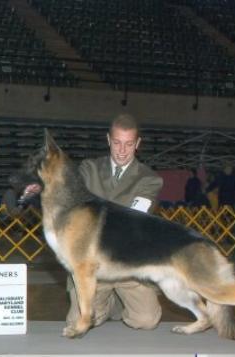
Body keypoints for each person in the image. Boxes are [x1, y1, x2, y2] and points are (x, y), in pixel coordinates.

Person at [66, 114, 163, 331]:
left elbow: (133, 220)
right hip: (93, 266)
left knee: (146, 320)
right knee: (78, 322)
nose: (122, 150)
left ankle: (119, 301)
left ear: (138, 144)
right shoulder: (87, 169)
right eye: (117, 143)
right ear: (108, 140)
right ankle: (109, 305)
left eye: (129, 144)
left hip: (128, 264)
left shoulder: (149, 178)